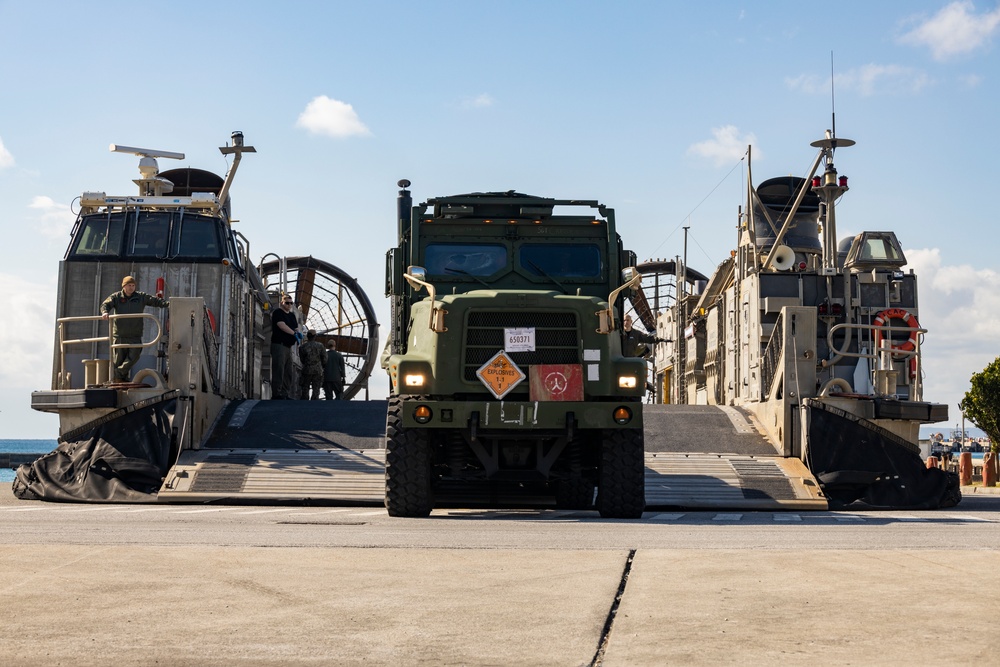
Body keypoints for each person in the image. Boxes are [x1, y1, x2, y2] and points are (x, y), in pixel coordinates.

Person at [100, 275, 170, 382]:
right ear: (124, 286)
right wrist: (105, 312)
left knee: (135, 355)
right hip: (120, 335)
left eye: (133, 285)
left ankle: (117, 374)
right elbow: (106, 304)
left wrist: (168, 304)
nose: (131, 288)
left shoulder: (140, 297)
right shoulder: (117, 297)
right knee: (118, 360)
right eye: (129, 285)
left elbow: (154, 301)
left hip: (135, 335)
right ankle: (119, 380)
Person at [270, 295, 299, 399]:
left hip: (288, 346)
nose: (289, 305)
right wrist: (294, 334)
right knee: (279, 370)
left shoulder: (292, 315)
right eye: (287, 303)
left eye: (291, 303)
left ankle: (284, 393)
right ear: (282, 303)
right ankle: (277, 394)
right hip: (279, 345)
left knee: (288, 371)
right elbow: (281, 325)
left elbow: (295, 328)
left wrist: (297, 333)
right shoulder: (278, 313)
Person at [298, 330, 327, 400]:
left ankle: (304, 403)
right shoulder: (320, 346)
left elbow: (302, 359)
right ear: (315, 336)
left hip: (307, 369)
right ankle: (314, 403)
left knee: (305, 388)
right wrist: (322, 366)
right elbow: (325, 358)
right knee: (316, 389)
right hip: (317, 370)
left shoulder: (303, 347)